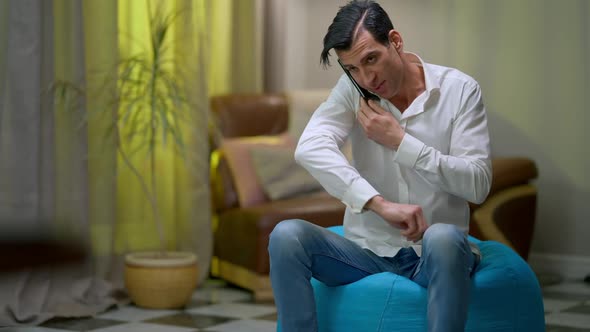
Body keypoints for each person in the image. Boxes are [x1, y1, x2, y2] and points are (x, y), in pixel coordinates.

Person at [268, 1, 492, 331]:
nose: (366, 77)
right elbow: (310, 147)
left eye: (371, 59)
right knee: (286, 236)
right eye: (353, 68)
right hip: (364, 254)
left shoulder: (460, 91)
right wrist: (379, 204)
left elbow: (478, 184)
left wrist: (401, 142)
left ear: (395, 41)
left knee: (443, 237)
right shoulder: (352, 90)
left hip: (435, 253)